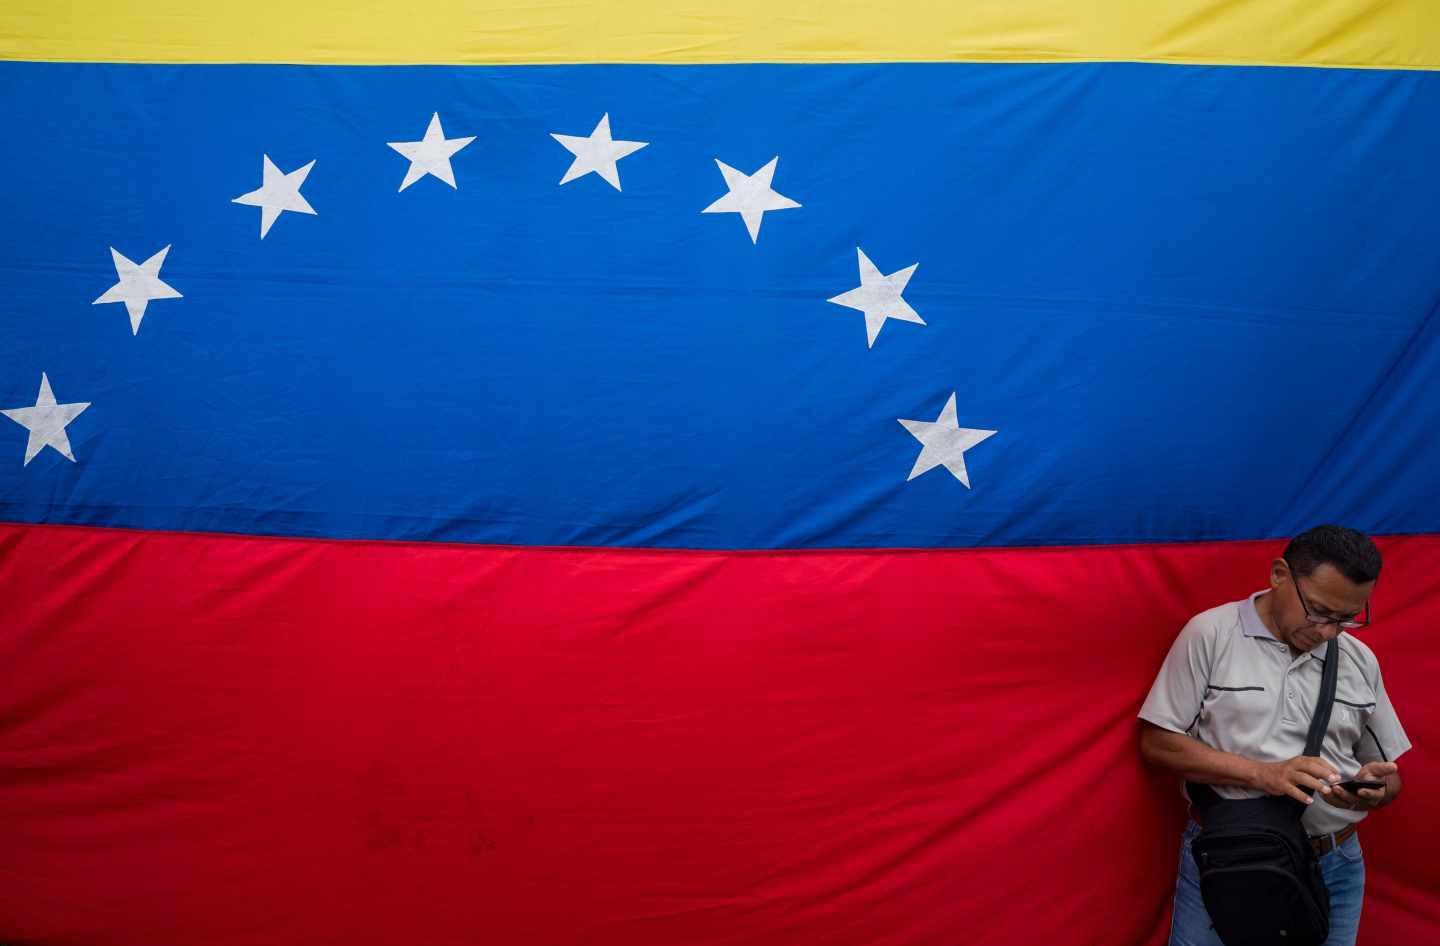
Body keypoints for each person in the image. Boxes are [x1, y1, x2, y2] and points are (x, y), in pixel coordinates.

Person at [1138, 525, 1410, 946]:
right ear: (1279, 574)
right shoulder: (1210, 634)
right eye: (1319, 611)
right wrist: (1263, 774)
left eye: (1347, 618)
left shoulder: (1360, 658)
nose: (1328, 632)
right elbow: (1157, 742)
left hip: (1335, 862)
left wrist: (1376, 789)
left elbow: (1390, 775)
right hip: (1229, 857)